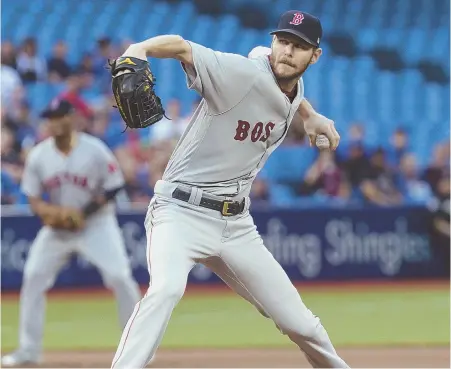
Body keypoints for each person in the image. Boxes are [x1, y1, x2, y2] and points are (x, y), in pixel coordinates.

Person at [109, 10, 347, 368]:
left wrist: (309, 114)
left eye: (299, 46)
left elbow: (289, 92)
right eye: (283, 41)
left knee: (301, 324)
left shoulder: (290, 83)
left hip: (236, 225)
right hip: (180, 211)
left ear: (315, 55)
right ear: (272, 42)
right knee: (166, 290)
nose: (287, 51)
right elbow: (183, 48)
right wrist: (139, 48)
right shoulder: (241, 72)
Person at [1, 99, 141, 367]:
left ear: (72, 118)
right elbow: (32, 196)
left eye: (59, 116)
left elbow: (114, 186)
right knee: (33, 276)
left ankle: (137, 347)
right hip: (57, 230)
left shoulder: (95, 150)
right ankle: (28, 350)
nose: (54, 122)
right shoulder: (39, 155)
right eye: (50, 117)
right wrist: (49, 213)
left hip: (97, 225)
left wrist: (83, 213)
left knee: (120, 277)